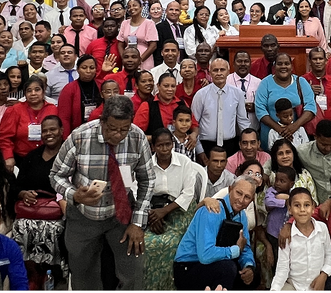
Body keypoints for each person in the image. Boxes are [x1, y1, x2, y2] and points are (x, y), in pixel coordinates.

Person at [50, 95, 154, 290]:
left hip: (122, 214)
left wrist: (137, 222)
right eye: (112, 128)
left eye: (124, 129)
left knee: (134, 272)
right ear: (102, 121)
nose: (118, 135)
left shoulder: (137, 137)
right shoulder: (80, 136)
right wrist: (74, 195)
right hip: (83, 216)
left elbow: (147, 180)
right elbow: (56, 175)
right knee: (83, 276)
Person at [144, 129, 207, 290]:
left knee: (171, 243)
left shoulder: (184, 162)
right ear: (153, 147)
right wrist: (153, 215)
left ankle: (171, 287)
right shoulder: (146, 164)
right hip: (152, 211)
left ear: (173, 144)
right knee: (147, 243)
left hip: (180, 209)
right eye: (160, 145)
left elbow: (188, 193)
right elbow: (139, 191)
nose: (165, 149)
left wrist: (164, 212)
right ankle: (150, 287)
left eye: (168, 144)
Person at [11, 116, 68, 290]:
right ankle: (33, 273)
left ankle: (54, 274)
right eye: (45, 131)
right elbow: (16, 186)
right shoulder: (32, 156)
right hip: (31, 211)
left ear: (61, 130)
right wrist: (23, 194)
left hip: (59, 213)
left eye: (53, 129)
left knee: (55, 230)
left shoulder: (69, 155)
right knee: (20, 226)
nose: (49, 133)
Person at [172, 178, 256, 290]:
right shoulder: (212, 210)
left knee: (251, 277)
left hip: (216, 263)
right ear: (230, 189)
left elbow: (245, 247)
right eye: (239, 193)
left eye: (247, 197)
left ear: (252, 200)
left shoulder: (242, 216)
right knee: (227, 268)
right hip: (189, 266)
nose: (241, 200)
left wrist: (249, 266)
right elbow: (205, 255)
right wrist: (236, 250)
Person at [270, 187, 331, 291]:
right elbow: (283, 267)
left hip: (318, 285)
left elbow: (329, 255)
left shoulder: (322, 228)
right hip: (294, 285)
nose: (302, 210)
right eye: (297, 205)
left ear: (313, 207)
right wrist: (274, 289)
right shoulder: (287, 235)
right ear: (290, 209)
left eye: (306, 205)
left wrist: (324, 275)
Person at [255, 54, 318, 146]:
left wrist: (294, 126)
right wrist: (279, 129)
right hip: (270, 133)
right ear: (274, 66)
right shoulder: (265, 83)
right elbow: (260, 109)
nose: (283, 66)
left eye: (286, 63)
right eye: (279, 64)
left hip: (297, 134)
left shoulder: (301, 82)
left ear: (291, 66)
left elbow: (311, 107)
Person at [0, 77, 58, 169]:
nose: (33, 93)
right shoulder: (15, 110)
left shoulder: (53, 109)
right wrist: (8, 157)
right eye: (29, 91)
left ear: (43, 91)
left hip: (49, 158)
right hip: (21, 159)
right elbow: (4, 137)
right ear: (25, 94)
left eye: (37, 90)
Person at [194, 58, 252, 154]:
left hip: (230, 145)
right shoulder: (200, 95)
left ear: (228, 72)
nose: (219, 73)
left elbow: (242, 121)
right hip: (206, 145)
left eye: (222, 70)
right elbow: (194, 123)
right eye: (215, 70)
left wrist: (250, 141)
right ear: (210, 73)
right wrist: (200, 151)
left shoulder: (238, 93)